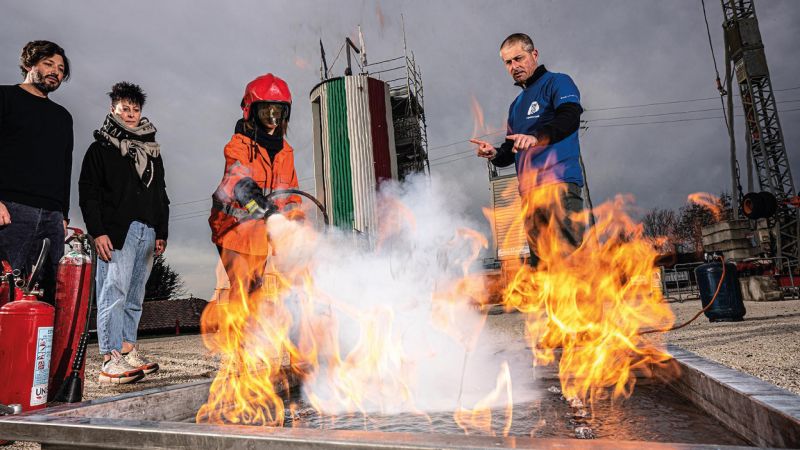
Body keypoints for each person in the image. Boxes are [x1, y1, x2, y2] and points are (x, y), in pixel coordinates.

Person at [79, 82, 170, 384]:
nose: (130, 114)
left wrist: (162, 231)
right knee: (113, 291)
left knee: (135, 295)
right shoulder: (100, 149)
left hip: (147, 230)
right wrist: (98, 232)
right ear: (113, 109)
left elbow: (161, 194)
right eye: (125, 108)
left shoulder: (152, 151)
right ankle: (109, 359)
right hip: (117, 232)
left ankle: (129, 351)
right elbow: (88, 193)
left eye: (135, 109)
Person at [472, 33, 585, 267]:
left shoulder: (557, 82)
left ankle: (582, 304)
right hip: (529, 194)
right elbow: (510, 149)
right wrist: (494, 153)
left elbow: (569, 118)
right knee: (543, 269)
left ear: (534, 54)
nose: (514, 66)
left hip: (558, 185)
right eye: (508, 62)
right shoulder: (516, 106)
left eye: (519, 58)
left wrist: (535, 137)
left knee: (569, 267)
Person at [208, 73, 301, 308]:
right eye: (265, 111)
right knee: (243, 286)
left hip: (261, 234)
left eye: (277, 112)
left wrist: (296, 226)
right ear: (251, 110)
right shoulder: (238, 146)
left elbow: (291, 196)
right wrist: (270, 215)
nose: (272, 117)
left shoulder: (286, 152)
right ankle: (241, 343)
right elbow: (240, 184)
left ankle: (258, 339)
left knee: (259, 290)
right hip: (232, 230)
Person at [0, 40, 73, 303]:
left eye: (61, 68)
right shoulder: (5, 97)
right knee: (7, 288)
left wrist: (64, 213)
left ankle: (41, 345)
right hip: (11, 210)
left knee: (51, 293)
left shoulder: (63, 117)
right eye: (48, 64)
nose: (55, 71)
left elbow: (65, 166)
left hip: (53, 217)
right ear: (29, 64)